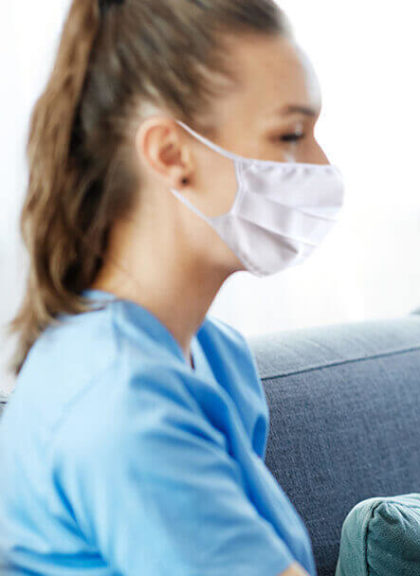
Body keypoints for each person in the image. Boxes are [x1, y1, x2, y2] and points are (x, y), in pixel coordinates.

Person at [0, 0, 343, 574]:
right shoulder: (119, 402)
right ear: (171, 155)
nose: (321, 164)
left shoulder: (216, 354)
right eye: (290, 133)